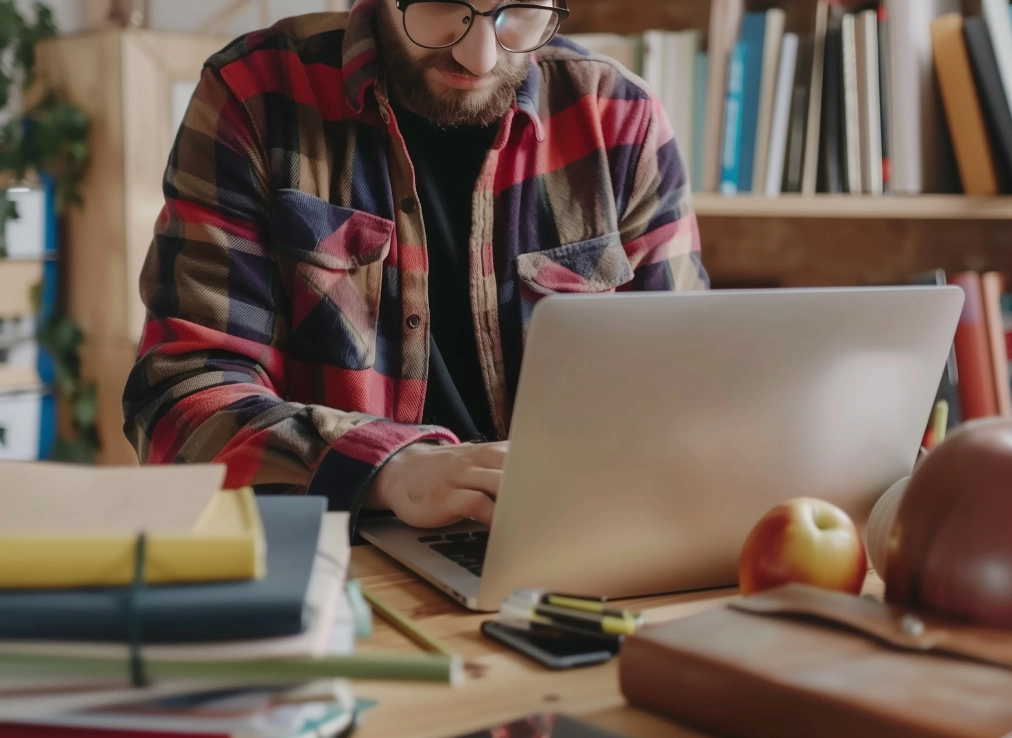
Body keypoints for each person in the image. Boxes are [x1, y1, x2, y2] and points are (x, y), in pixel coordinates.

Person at [122, 0, 708, 533]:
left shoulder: (619, 120)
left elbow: (693, 393)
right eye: (444, 6)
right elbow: (178, 399)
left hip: (571, 539)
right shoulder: (256, 93)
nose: (478, 54)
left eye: (518, 12)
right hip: (341, 552)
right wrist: (389, 468)